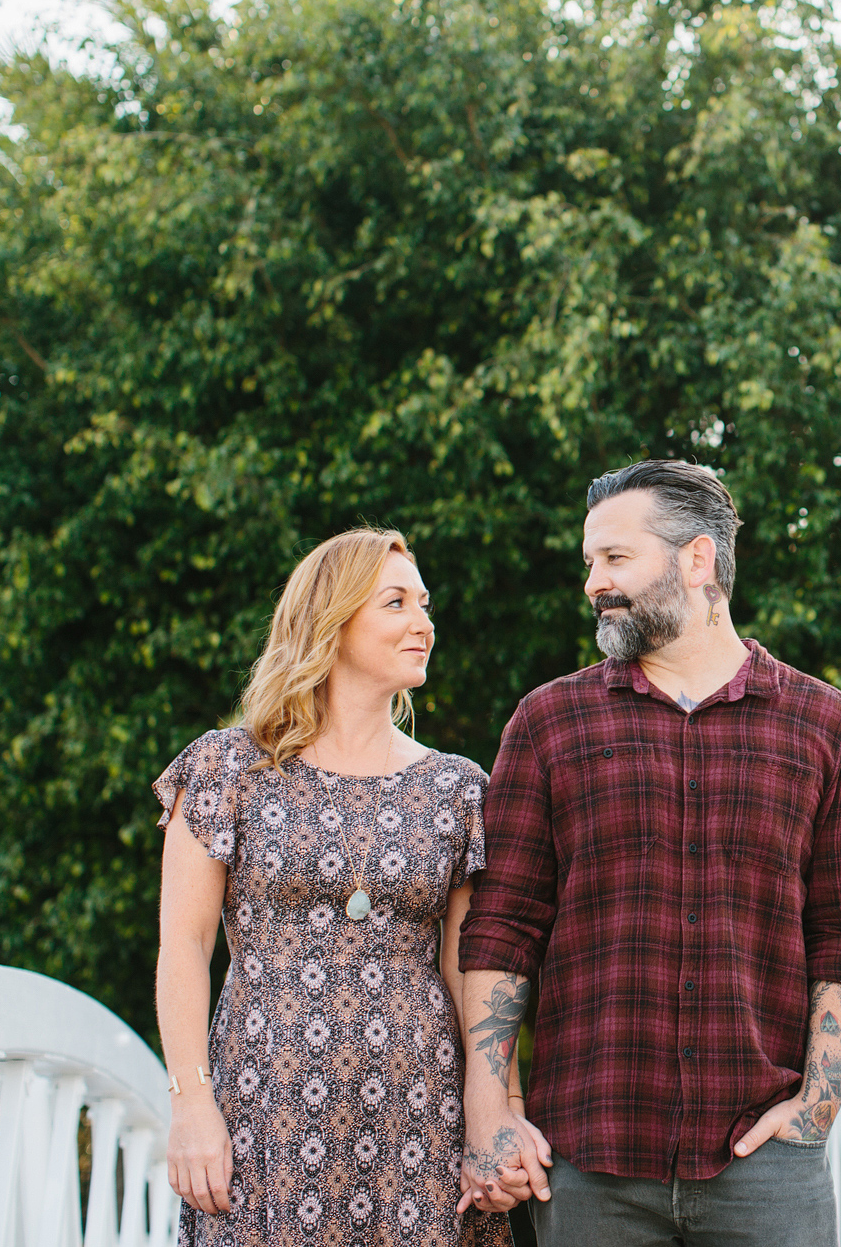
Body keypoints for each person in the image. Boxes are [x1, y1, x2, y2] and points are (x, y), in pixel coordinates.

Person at [455, 460, 841, 1246]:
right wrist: (490, 1113)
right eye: (589, 562)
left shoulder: (828, 728)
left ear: (697, 560)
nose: (594, 581)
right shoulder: (549, 723)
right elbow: (502, 927)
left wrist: (819, 1103)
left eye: (616, 558)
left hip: (764, 1163)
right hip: (586, 1162)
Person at [154, 528, 522, 1247]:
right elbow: (183, 947)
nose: (424, 622)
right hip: (266, 1110)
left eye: (426, 604)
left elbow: (468, 970)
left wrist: (496, 1111)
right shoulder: (227, 769)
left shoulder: (458, 788)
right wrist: (191, 1102)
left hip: (419, 1118)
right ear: (332, 618)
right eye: (396, 602)